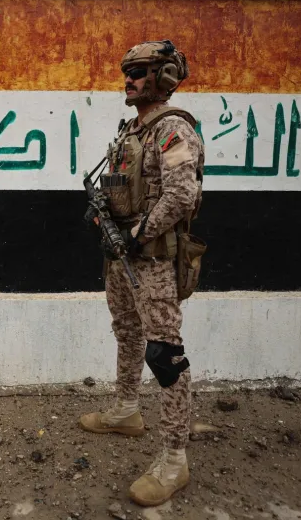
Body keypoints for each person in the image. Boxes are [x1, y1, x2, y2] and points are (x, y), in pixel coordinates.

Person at [79, 40, 205, 507]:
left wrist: (136, 234)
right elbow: (122, 187)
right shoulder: (129, 131)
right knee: (127, 333)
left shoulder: (172, 131)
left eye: (138, 71)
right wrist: (103, 211)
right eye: (126, 71)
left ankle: (175, 459)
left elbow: (181, 198)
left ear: (163, 77)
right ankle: (127, 409)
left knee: (164, 353)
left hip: (151, 261)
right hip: (121, 256)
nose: (127, 79)